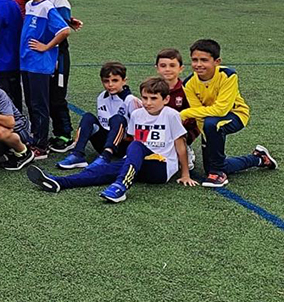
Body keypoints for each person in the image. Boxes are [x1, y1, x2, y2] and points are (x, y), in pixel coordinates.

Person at [27, 77, 205, 203]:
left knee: (135, 146)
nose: (148, 102)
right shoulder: (137, 114)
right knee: (101, 171)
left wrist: (185, 174)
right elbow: (136, 140)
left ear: (166, 99)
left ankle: (121, 187)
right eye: (145, 98)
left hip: (161, 167)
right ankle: (60, 182)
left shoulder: (171, 115)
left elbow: (180, 145)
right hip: (137, 164)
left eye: (154, 99)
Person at [180, 39, 274, 188]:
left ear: (217, 61)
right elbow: (198, 113)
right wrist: (205, 134)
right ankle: (258, 159)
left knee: (214, 124)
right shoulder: (188, 83)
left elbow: (221, 110)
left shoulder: (228, 75)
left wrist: (185, 113)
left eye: (204, 60)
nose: (198, 64)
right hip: (208, 122)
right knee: (210, 167)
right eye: (195, 60)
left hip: (236, 115)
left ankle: (218, 174)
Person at [18, 0, 70, 155]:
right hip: (27, 62)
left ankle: (41, 145)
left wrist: (46, 46)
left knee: (40, 104)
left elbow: (64, 30)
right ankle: (36, 137)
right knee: (32, 102)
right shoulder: (31, 4)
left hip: (39, 65)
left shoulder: (47, 6)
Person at [56, 62, 140, 170]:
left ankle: (106, 157)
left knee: (117, 119)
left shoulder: (131, 100)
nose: (110, 84)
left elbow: (139, 129)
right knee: (88, 117)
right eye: (106, 81)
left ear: (124, 80)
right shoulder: (101, 97)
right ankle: (77, 155)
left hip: (124, 146)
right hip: (103, 142)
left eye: (115, 80)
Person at [41, 0, 77, 151]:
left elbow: (61, 29)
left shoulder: (59, 0)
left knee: (57, 96)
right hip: (44, 54)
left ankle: (64, 134)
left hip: (58, 56)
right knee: (45, 95)